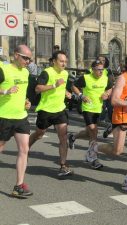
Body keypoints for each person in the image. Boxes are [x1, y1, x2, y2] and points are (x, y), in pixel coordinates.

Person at [86, 52, 127, 193]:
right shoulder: (122, 78)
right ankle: (94, 148)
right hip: (121, 119)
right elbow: (114, 100)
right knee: (117, 151)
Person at [29, 50, 73, 177]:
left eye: (65, 61)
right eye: (61, 61)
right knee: (39, 134)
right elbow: (38, 88)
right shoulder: (47, 72)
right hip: (46, 110)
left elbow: (62, 87)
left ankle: (63, 165)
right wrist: (54, 85)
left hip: (60, 110)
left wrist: (66, 93)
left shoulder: (65, 73)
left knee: (63, 137)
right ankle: (25, 149)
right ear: (54, 61)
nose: (64, 63)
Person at [0, 45, 33, 198]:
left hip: (21, 116)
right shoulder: (4, 69)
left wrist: (26, 102)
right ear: (16, 55)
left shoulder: (26, 73)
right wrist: (5, 91)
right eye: (25, 57)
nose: (28, 61)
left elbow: (22, 93)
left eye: (29, 59)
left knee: (24, 149)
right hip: (3, 116)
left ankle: (19, 185)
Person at [68, 60, 113, 169]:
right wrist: (81, 95)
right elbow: (73, 86)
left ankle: (73, 136)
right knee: (93, 130)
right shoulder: (86, 77)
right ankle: (93, 158)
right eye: (98, 70)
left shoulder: (105, 78)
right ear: (92, 70)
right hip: (87, 108)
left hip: (99, 108)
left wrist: (106, 94)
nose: (101, 72)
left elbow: (110, 88)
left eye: (102, 70)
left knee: (90, 132)